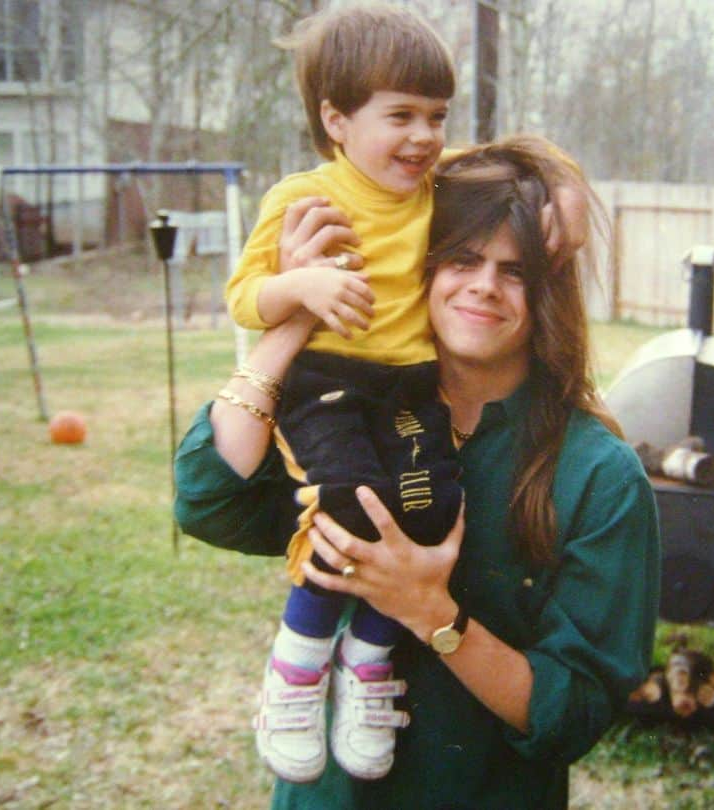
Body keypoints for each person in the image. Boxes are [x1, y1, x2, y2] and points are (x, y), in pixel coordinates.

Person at [175, 136, 661, 809]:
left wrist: (431, 611)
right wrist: (293, 322)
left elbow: (573, 713)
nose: (484, 285)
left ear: (547, 290)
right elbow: (207, 501)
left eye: (515, 270)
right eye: (461, 258)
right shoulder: (343, 423)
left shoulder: (596, 476)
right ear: (418, 268)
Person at [222, 4, 462, 783]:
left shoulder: (436, 196)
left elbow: (507, 178)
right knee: (351, 501)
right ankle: (296, 668)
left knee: (426, 510)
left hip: (408, 384)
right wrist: (303, 282)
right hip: (326, 382)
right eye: (401, 115)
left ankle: (367, 664)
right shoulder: (308, 197)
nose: (423, 136)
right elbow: (243, 296)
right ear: (336, 119)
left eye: (437, 116)